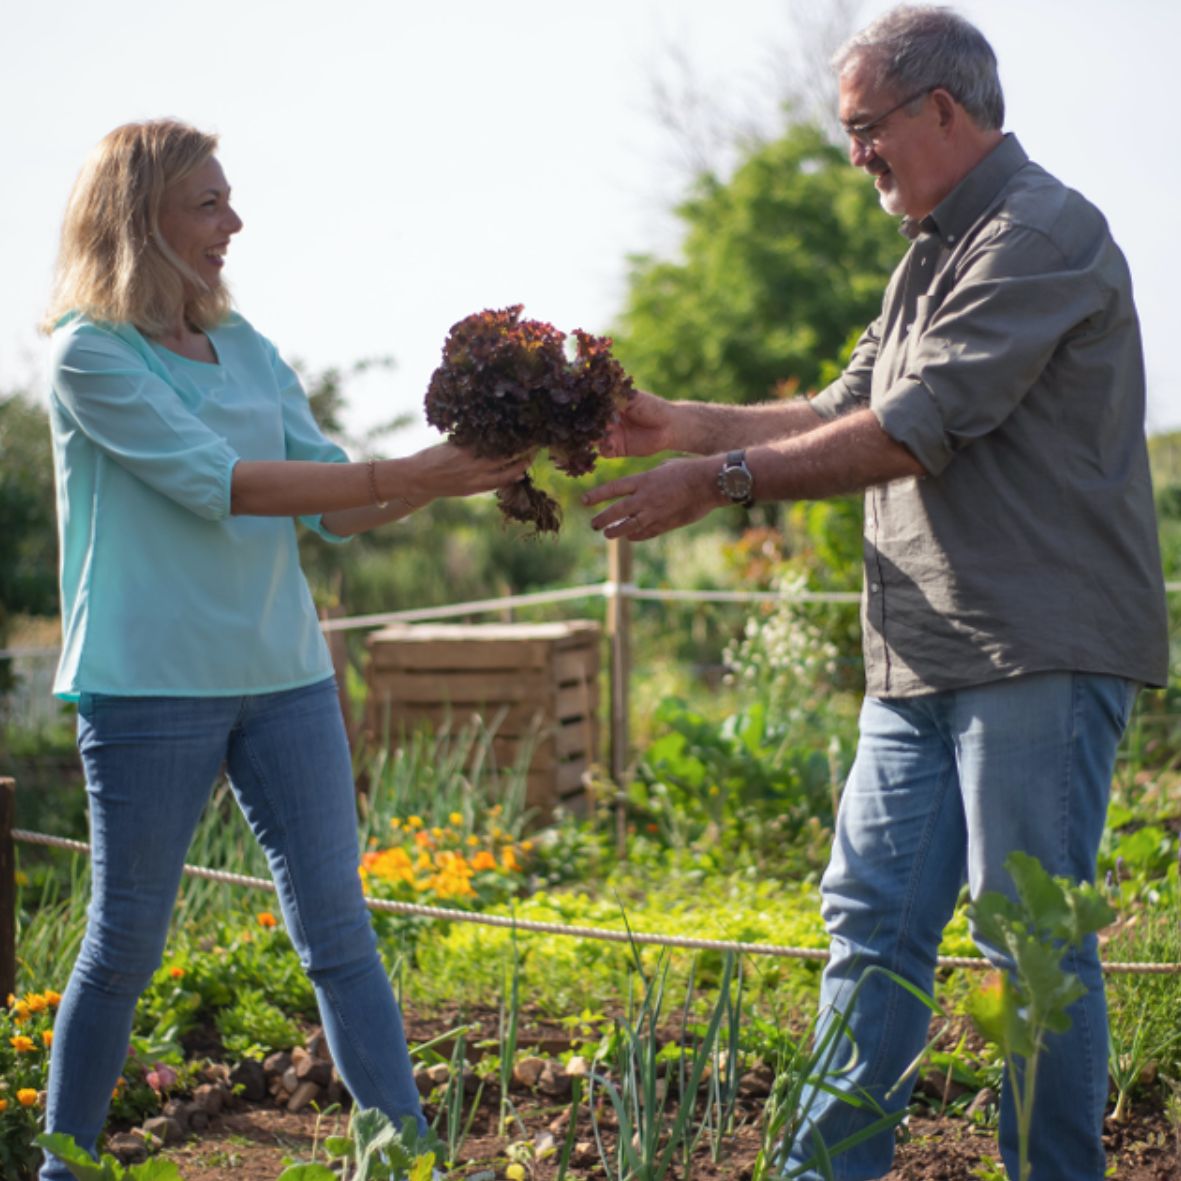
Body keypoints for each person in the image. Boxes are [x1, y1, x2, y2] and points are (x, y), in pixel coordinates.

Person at [584, 7, 1167, 1180]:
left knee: (1030, 945)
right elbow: (833, 406)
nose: (855, 156)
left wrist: (718, 479)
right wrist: (678, 425)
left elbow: (913, 426)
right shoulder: (929, 253)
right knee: (870, 925)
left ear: (939, 110)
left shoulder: (1040, 231)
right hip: (918, 662)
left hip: (1030, 652)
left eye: (864, 130)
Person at [37, 118, 527, 1181]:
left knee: (340, 933)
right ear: (139, 218)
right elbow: (226, 485)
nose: (234, 220)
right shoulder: (88, 355)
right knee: (124, 947)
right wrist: (406, 472)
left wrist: (456, 471)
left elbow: (332, 506)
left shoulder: (246, 345)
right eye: (206, 202)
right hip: (149, 684)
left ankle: (403, 1157)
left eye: (228, 197)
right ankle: (65, 1167)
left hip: (286, 675)